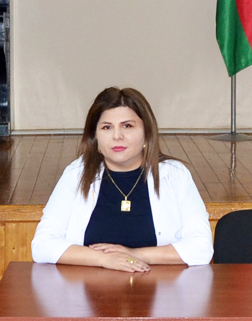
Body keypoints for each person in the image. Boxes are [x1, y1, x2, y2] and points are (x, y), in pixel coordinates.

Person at [31, 87, 213, 270]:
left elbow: (202, 247)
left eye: (127, 126)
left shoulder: (175, 175)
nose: (117, 136)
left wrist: (133, 255)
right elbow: (42, 245)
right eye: (107, 127)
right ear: (95, 136)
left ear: (147, 133)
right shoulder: (77, 174)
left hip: (158, 285)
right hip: (89, 286)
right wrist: (104, 260)